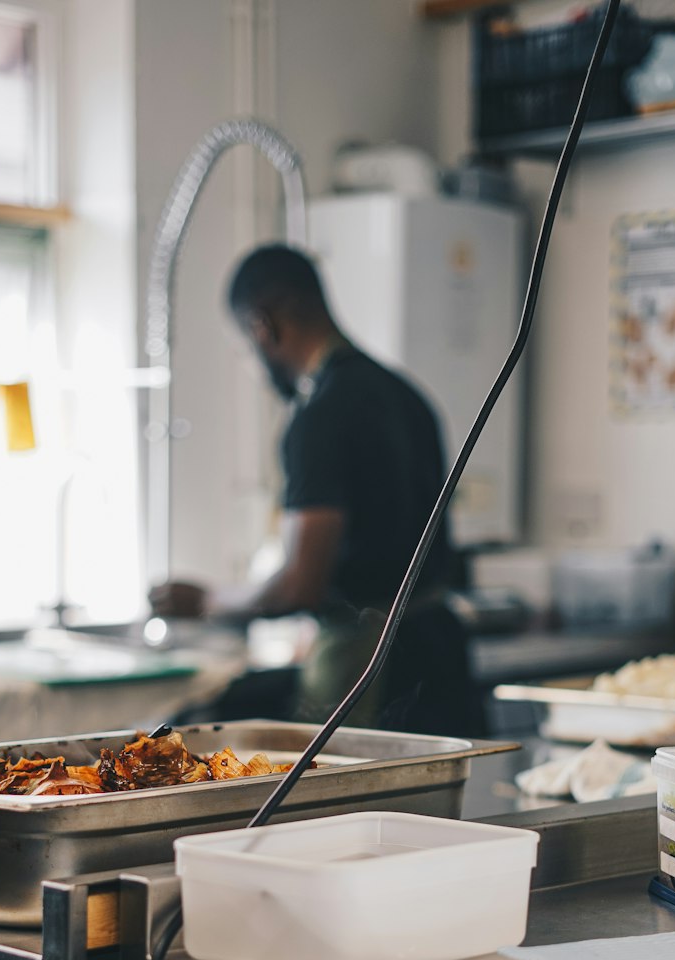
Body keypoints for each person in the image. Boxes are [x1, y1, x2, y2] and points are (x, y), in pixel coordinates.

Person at [149, 243, 480, 736]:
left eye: (247, 346)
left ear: (264, 327)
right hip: (441, 652)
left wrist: (207, 600)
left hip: (372, 665)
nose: (256, 365)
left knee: (344, 808)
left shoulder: (318, 417)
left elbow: (297, 585)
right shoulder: (406, 395)